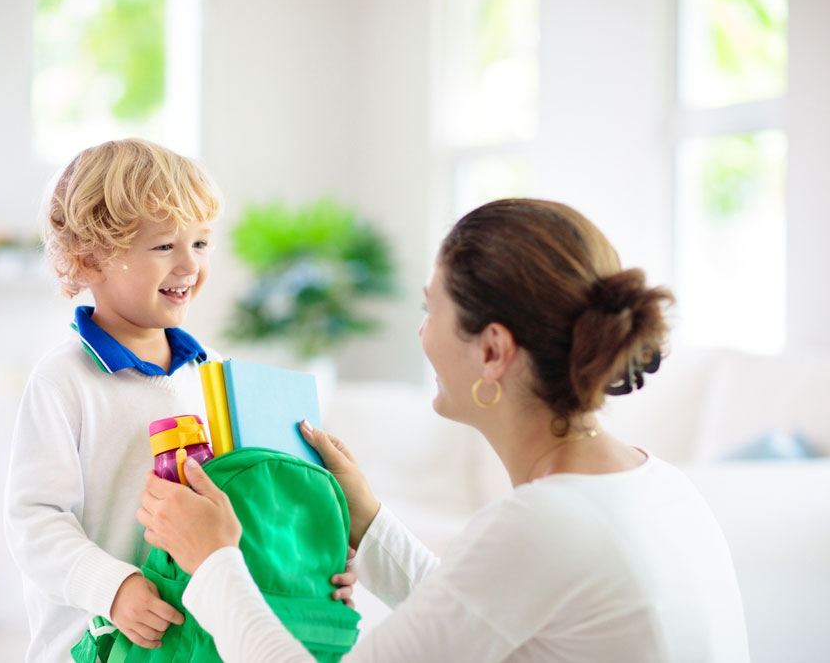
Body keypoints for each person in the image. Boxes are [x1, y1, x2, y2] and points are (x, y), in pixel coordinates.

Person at [136, 198, 751, 662]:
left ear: (492, 350)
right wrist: (369, 524)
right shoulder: (654, 485)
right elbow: (486, 612)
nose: (422, 333)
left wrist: (214, 559)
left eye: (432, 309)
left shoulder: (543, 521)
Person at [3, 139, 355, 663]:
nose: (189, 265)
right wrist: (113, 587)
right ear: (90, 258)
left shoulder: (216, 374)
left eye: (202, 243)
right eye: (165, 246)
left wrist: (311, 561)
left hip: (192, 641)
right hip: (90, 645)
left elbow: (249, 506)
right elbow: (35, 519)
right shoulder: (63, 380)